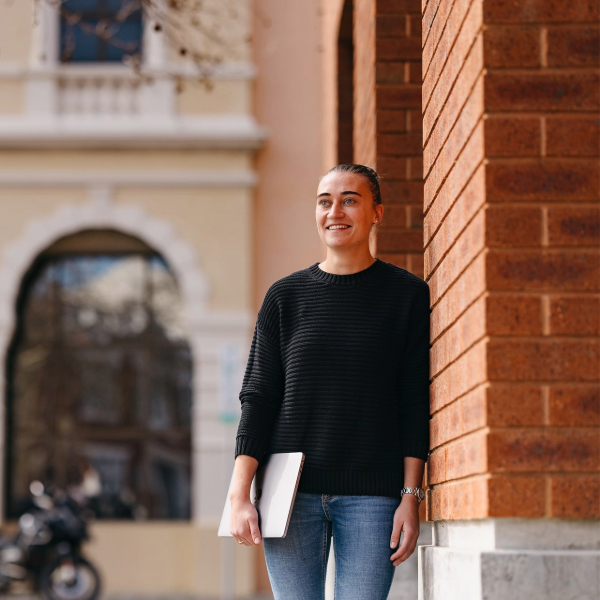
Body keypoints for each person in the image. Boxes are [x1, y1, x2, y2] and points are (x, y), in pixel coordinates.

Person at [228, 164, 431, 600]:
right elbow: (258, 397)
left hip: (373, 497)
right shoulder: (285, 297)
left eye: (349, 200)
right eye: (324, 201)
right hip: (291, 494)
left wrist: (410, 497)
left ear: (377, 212)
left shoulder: (407, 296)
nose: (334, 211)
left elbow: (414, 400)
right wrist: (238, 493)